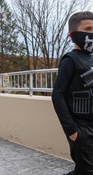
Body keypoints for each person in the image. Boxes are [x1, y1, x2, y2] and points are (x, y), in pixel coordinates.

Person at [52, 11, 93, 175]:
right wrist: (72, 131)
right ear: (72, 35)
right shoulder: (70, 60)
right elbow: (57, 95)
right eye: (88, 29)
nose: (92, 34)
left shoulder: (91, 59)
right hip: (81, 128)